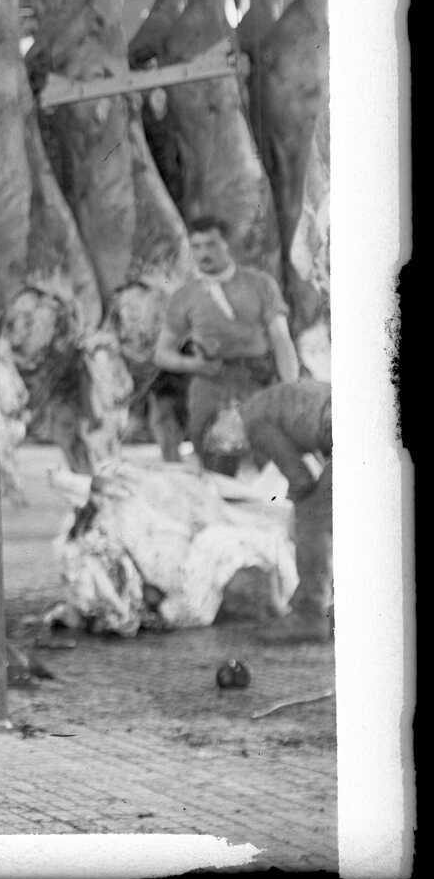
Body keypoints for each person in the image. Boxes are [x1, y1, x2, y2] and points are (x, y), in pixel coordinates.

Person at [153, 215, 300, 478]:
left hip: (256, 379)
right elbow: (162, 353)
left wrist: (291, 386)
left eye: (210, 244)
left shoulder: (260, 284)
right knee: (213, 466)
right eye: (196, 246)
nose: (203, 253)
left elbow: (281, 339)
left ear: (226, 245)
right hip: (209, 382)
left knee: (266, 462)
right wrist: (192, 364)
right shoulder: (185, 296)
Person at [240, 377, 332, 644]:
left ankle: (309, 614)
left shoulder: (251, 420)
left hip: (351, 431)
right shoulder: (267, 399)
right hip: (358, 419)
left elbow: (300, 478)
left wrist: (300, 495)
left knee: (313, 519)